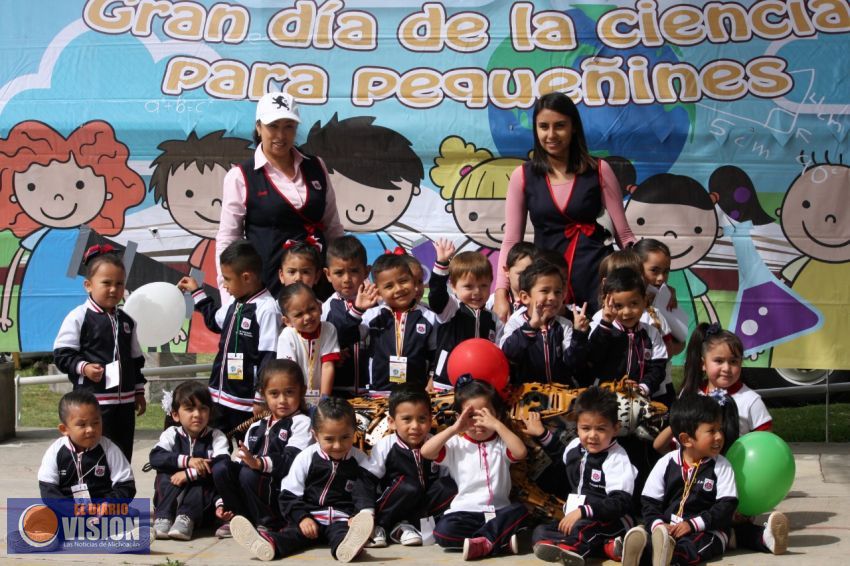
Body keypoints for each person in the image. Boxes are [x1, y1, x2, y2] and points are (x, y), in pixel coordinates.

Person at [494, 92, 636, 321]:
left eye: (560, 126)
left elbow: (625, 236)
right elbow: (511, 241)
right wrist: (500, 291)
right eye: (543, 127)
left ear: (574, 128)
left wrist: (654, 286)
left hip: (596, 282)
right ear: (536, 130)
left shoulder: (599, 170)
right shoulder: (523, 176)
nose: (551, 134)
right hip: (548, 288)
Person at [653, 323, 787, 556]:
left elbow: (764, 460)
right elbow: (670, 441)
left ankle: (759, 535)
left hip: (732, 485)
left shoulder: (751, 400)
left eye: (734, 361)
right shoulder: (691, 394)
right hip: (692, 484)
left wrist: (746, 503)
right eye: (719, 361)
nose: (727, 368)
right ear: (703, 363)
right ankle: (756, 537)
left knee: (723, 522)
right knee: (698, 526)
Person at [216, 91, 344, 298]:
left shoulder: (316, 166)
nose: (280, 135)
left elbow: (333, 228)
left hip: (316, 285)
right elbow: (229, 239)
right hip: (267, 288)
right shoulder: (240, 176)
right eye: (273, 126)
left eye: (288, 127)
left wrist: (347, 275)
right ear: (258, 127)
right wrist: (227, 293)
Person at [229, 397, 376, 562]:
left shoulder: (361, 461)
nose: (337, 445)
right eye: (329, 439)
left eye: (345, 437)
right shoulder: (306, 457)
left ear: (354, 432)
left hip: (341, 519)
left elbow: (365, 493)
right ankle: (268, 543)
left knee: (344, 536)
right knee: (290, 535)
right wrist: (301, 517)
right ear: (315, 434)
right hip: (309, 518)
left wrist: (361, 515)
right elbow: (289, 494)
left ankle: (350, 548)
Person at [527, 387, 642, 566]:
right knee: (540, 531)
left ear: (616, 428)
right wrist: (542, 434)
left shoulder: (617, 459)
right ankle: (608, 548)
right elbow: (561, 454)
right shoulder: (575, 446)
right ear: (577, 427)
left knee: (584, 529)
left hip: (613, 519)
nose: (592, 436)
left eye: (601, 429)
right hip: (580, 518)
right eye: (585, 428)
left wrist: (583, 511)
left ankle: (573, 550)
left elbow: (620, 503)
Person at [178, 240, 280, 436]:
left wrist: (260, 398)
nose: (224, 285)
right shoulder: (236, 303)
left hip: (246, 404)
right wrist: (196, 292)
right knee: (215, 450)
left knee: (247, 452)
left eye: (227, 279)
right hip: (218, 397)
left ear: (247, 277)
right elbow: (214, 321)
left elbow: (269, 357)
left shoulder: (267, 309)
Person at [53, 245, 145, 462]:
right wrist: (83, 367)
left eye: (119, 284)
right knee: (93, 455)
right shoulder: (79, 316)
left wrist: (139, 391)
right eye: (106, 283)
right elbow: (62, 354)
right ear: (88, 285)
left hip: (124, 405)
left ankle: (119, 494)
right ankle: (92, 494)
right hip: (93, 406)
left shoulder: (127, 321)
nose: (113, 289)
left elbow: (135, 360)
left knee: (121, 455)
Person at [421, 378, 529, 560]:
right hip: (465, 513)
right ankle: (498, 541)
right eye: (471, 416)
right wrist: (455, 428)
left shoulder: (501, 443)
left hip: (499, 512)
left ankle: (486, 541)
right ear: (459, 417)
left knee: (521, 511)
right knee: (442, 533)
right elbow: (426, 451)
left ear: (498, 416)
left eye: (485, 416)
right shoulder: (456, 444)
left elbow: (520, 453)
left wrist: (496, 425)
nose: (478, 422)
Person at [213, 360, 313, 537]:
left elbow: (291, 461)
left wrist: (259, 463)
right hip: (253, 485)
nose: (282, 400)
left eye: (289, 392)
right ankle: (237, 517)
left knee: (249, 473)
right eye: (274, 394)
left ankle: (268, 522)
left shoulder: (302, 423)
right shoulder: (256, 426)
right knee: (222, 468)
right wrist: (222, 501)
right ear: (263, 395)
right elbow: (239, 462)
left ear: (302, 391)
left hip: (279, 488)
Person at [636, 395, 738, 566]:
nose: (719, 436)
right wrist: (659, 525)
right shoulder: (667, 462)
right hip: (669, 529)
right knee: (650, 532)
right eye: (712, 431)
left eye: (720, 429)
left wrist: (693, 524)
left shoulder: (721, 465)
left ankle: (666, 555)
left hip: (708, 530)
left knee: (693, 545)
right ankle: (643, 549)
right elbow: (649, 502)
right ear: (685, 439)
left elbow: (726, 506)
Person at [365, 384, 457, 547]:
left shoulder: (435, 444)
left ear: (430, 419)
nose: (415, 426)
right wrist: (366, 511)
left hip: (422, 508)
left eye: (422, 419)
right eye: (407, 419)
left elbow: (445, 478)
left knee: (449, 486)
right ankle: (380, 526)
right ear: (392, 422)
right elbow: (367, 480)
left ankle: (408, 527)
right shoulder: (386, 446)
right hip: (393, 505)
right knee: (409, 486)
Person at [591, 251, 676, 407]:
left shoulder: (651, 331)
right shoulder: (600, 325)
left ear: (645, 301)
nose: (627, 312)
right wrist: (605, 325)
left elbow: (658, 366)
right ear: (607, 300)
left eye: (634, 304)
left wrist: (643, 387)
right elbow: (592, 358)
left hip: (643, 400)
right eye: (619, 306)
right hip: (606, 401)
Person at [149, 381, 229, 540]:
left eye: (203, 409)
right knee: (165, 474)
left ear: (210, 412)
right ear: (175, 415)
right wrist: (187, 461)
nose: (197, 414)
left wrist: (190, 474)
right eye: (189, 409)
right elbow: (155, 457)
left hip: (200, 508)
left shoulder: (216, 437)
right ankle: (164, 516)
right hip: (171, 495)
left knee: (200, 482)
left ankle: (186, 519)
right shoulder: (171, 433)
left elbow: (223, 464)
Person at [346, 253, 437, 392]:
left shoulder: (429, 317)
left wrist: (432, 376)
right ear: (378, 291)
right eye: (389, 286)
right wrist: (357, 311)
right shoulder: (371, 316)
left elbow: (435, 353)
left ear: (413, 281)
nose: (399, 289)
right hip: (379, 392)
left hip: (416, 393)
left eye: (403, 281)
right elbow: (347, 337)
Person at [500, 258, 590, 386]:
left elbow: (573, 363)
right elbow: (507, 354)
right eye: (545, 291)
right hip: (526, 396)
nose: (553, 297)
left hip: (561, 395)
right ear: (525, 297)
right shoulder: (516, 323)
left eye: (558, 292)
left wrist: (579, 335)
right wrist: (530, 327)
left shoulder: (564, 325)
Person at [38, 390, 136, 507]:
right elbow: (48, 490)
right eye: (82, 425)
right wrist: (69, 509)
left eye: (96, 423)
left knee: (123, 514)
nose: (90, 429)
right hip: (66, 511)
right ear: (64, 429)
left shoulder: (110, 449)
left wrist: (109, 503)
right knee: (38, 517)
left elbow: (126, 485)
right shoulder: (55, 451)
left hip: (101, 510)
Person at [429, 239, 503, 389]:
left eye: (483, 286)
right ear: (454, 287)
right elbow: (436, 295)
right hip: (447, 383)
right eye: (468, 286)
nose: (477, 292)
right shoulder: (451, 309)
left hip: (481, 385)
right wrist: (442, 264)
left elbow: (500, 351)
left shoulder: (493, 318)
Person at [322, 236, 376, 396]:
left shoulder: (379, 305)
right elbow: (325, 345)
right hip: (337, 392)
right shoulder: (325, 308)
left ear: (366, 271)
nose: (346, 279)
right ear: (327, 274)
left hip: (373, 392)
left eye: (354, 271)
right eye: (339, 273)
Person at [276, 283, 341, 405]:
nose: (307, 317)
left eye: (311, 309)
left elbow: (328, 366)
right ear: (287, 321)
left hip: (320, 397)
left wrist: (324, 399)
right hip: (294, 399)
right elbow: (289, 374)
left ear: (320, 307)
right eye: (299, 315)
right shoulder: (287, 336)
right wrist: (296, 402)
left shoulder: (328, 329)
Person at [486, 241, 536, 315]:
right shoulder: (493, 301)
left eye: (531, 273)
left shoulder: (538, 302)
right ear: (507, 271)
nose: (525, 278)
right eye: (520, 273)